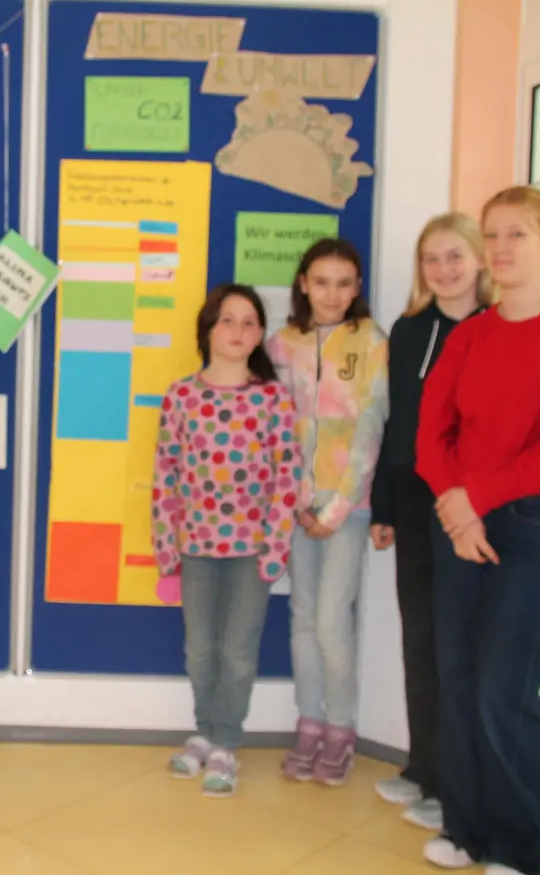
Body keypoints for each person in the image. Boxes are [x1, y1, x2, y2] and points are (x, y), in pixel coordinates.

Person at [416, 186, 540, 875]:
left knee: (504, 690)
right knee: (458, 680)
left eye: (517, 235)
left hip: (527, 525)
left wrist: (475, 498)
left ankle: (524, 848)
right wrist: (456, 505)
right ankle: (467, 830)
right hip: (458, 521)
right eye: (493, 235)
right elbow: (431, 433)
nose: (501, 249)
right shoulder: (470, 335)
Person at [368, 213, 493, 830]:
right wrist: (385, 507)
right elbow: (397, 424)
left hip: (467, 504)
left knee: (457, 646)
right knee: (419, 638)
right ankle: (423, 768)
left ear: (479, 260)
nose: (444, 270)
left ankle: (454, 783)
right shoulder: (410, 329)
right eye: (431, 259)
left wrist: (473, 501)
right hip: (413, 501)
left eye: (455, 256)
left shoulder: (496, 329)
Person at [153, 284, 300, 798]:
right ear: (208, 329)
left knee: (237, 652)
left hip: (252, 551)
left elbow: (287, 475)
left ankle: (225, 744)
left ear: (260, 335)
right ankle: (204, 732)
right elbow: (166, 473)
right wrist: (165, 545)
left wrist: (276, 546)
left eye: (249, 322)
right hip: (195, 546)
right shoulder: (181, 396)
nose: (238, 331)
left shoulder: (272, 398)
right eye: (227, 320)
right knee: (200, 650)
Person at [266, 238, 389, 787]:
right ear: (303, 284)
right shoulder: (282, 345)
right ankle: (310, 724)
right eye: (321, 282)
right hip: (296, 507)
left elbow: (370, 429)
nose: (332, 294)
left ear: (357, 286)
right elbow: (275, 427)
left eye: (343, 283)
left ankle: (341, 730)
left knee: (332, 621)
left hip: (348, 508)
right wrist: (294, 500)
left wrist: (336, 509)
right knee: (302, 617)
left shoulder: (372, 342)